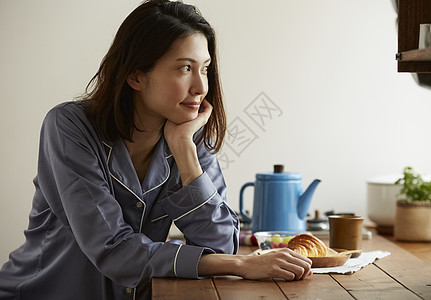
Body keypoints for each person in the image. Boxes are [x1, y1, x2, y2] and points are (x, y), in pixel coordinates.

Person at [0, 0, 312, 299]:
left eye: (204, 69)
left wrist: (184, 151)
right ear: (136, 75)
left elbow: (219, 246)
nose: (201, 87)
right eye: (184, 68)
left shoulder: (187, 135)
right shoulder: (69, 127)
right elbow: (113, 249)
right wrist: (241, 265)